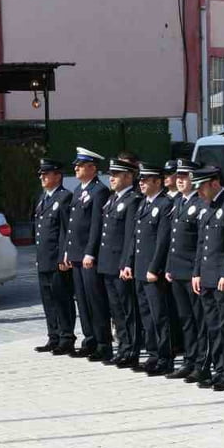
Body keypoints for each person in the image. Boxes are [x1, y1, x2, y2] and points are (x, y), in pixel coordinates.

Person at [193, 166, 224, 391]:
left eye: (201, 187)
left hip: (221, 277)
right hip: (206, 276)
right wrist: (196, 272)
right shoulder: (206, 205)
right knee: (212, 326)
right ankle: (218, 369)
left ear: (214, 183)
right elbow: (201, 244)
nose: (198, 192)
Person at [65, 147, 113, 361]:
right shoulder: (78, 190)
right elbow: (72, 225)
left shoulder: (99, 191)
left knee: (95, 300)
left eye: (81, 165)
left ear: (92, 168)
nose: (76, 168)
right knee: (82, 301)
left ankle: (103, 344)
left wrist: (90, 253)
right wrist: (68, 250)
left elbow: (96, 225)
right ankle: (89, 339)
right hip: (76, 254)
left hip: (88, 256)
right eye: (76, 165)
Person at [127, 163, 174, 376]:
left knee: (160, 316)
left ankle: (165, 357)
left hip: (153, 271)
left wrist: (154, 268)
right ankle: (153, 353)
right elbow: (135, 238)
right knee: (146, 315)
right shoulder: (143, 204)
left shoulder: (165, 204)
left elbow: (163, 240)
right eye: (140, 180)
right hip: (139, 268)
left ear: (158, 181)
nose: (141, 183)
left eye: (146, 180)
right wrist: (129, 264)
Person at [164, 161, 208, 381]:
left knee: (199, 320)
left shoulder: (200, 203)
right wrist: (170, 267)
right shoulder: (179, 202)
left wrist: (197, 271)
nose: (180, 179)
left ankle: (203, 363)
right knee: (186, 319)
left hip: (192, 271)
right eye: (178, 176)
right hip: (178, 270)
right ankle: (189, 360)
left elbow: (201, 242)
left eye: (185, 176)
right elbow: (173, 240)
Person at [98, 158, 142, 367]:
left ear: (128, 177)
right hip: (108, 263)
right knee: (116, 310)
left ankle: (131, 349)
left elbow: (129, 237)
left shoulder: (132, 200)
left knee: (127, 309)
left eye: (115, 175)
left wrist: (127, 264)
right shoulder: (113, 199)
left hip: (120, 264)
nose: (111, 178)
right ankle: (123, 347)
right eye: (111, 175)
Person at [33, 158, 75, 354]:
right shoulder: (43, 197)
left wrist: (63, 256)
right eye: (41, 174)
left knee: (62, 298)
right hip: (44, 258)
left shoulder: (64, 197)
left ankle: (66, 336)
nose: (42, 177)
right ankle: (53, 336)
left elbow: (66, 230)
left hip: (57, 259)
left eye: (46, 173)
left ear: (57, 175)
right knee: (48, 300)